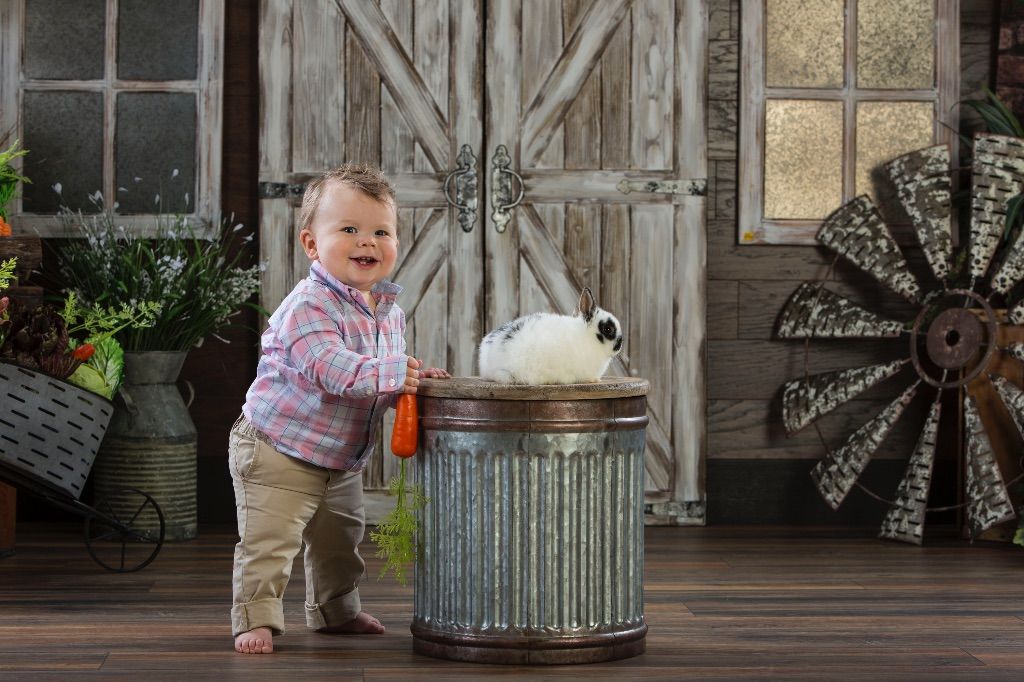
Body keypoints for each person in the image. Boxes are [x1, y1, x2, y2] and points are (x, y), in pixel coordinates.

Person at [228, 164, 449, 654]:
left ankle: (335, 610)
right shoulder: (307, 306)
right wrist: (393, 372)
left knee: (340, 540)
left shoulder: (388, 310)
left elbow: (373, 380)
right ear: (311, 244)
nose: (366, 242)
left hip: (339, 457)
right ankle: (255, 618)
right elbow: (334, 371)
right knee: (271, 543)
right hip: (277, 449)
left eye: (380, 231)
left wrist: (408, 386)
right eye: (349, 229)